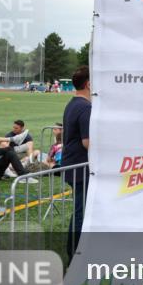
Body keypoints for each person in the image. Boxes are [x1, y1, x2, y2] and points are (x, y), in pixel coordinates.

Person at [63, 66, 91, 257]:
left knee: (80, 210)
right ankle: (75, 254)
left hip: (72, 165)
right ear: (89, 84)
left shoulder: (73, 103)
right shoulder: (85, 107)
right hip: (80, 167)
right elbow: (88, 142)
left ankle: (75, 252)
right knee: (81, 212)